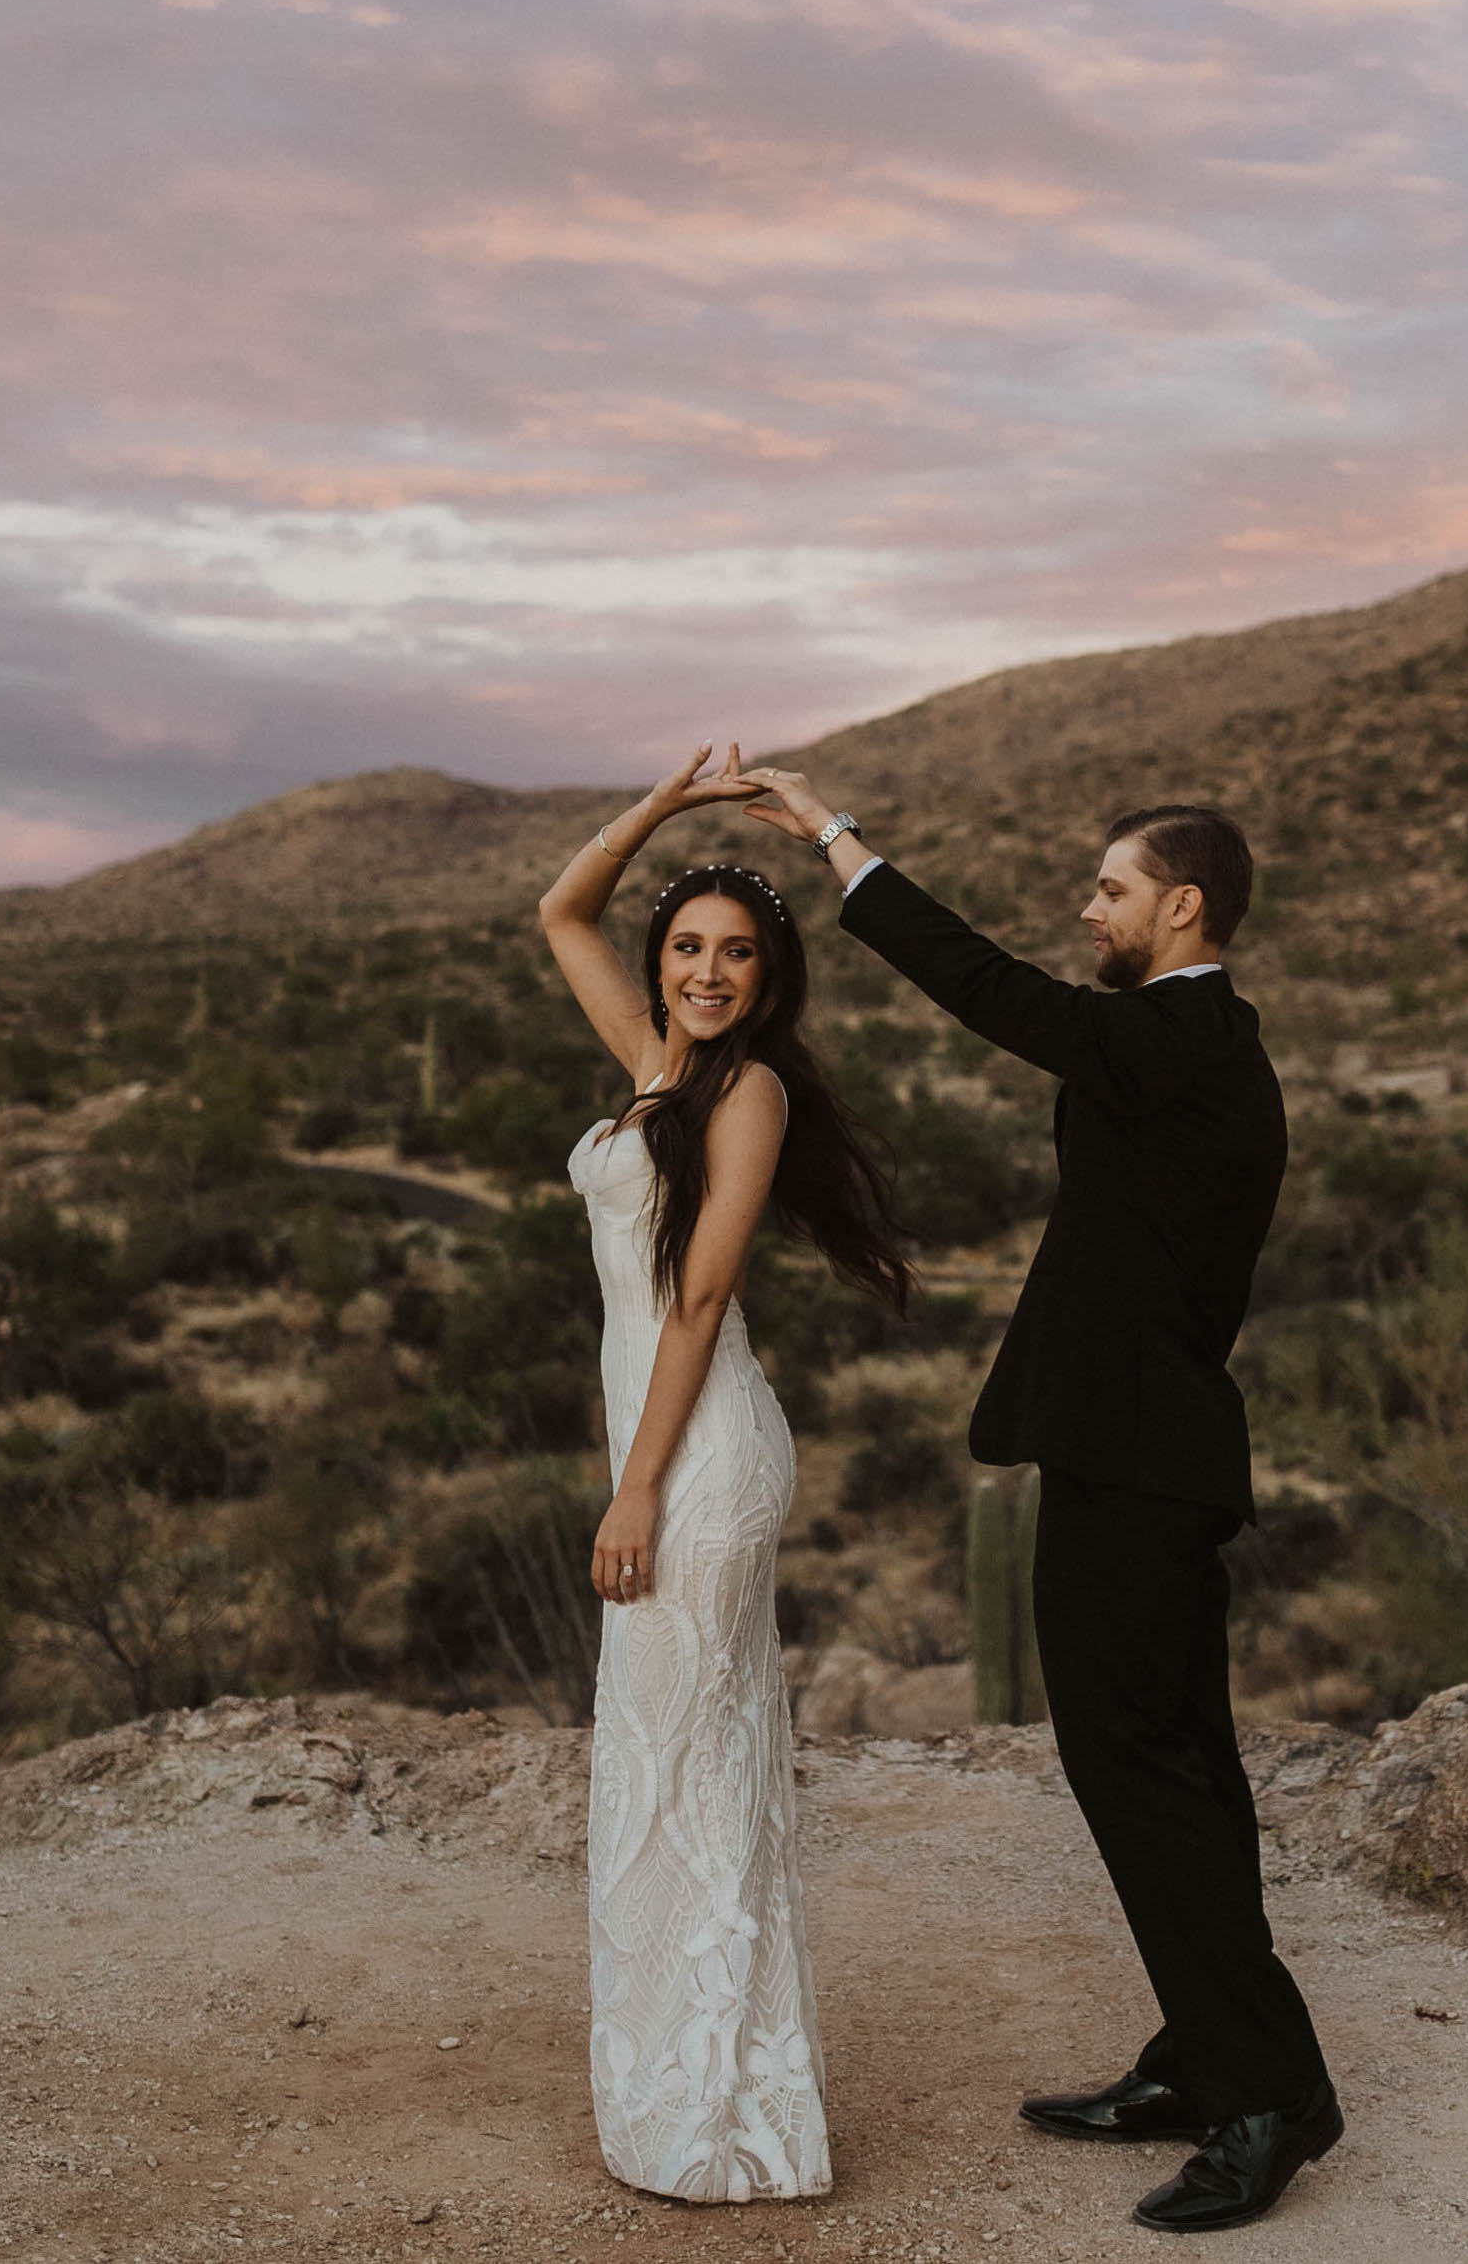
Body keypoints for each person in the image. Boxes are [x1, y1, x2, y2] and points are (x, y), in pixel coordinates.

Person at [739, 767, 1340, 2236]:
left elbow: (991, 991)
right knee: (1175, 1761)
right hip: (1143, 1452)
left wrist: (836, 842)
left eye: (1111, 887)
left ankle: (1270, 2096)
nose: (1088, 906)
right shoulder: (1186, 1044)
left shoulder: (1176, 1035)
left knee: (1138, 1766)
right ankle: (1209, 2057)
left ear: (1181, 907)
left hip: (1140, 1463)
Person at [538, 742, 913, 2205]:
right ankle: (681, 2095)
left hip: (700, 1455)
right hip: (662, 1439)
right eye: (688, 946)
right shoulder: (656, 1067)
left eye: (734, 953)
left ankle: (721, 2116)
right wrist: (665, 812)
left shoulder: (741, 1094)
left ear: (768, 976)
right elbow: (564, 913)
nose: (705, 970)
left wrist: (634, 1489)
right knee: (666, 1764)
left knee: (687, 1765)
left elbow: (695, 1303)